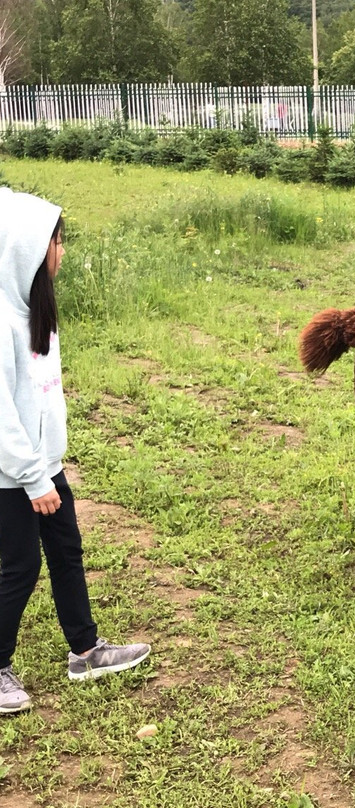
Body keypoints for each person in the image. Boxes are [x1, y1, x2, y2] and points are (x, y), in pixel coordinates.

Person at [0, 188, 150, 714]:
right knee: (19, 567)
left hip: (45, 466)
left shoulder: (35, 310)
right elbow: (2, 417)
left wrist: (49, 467)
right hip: (12, 476)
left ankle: (85, 650)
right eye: (56, 243)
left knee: (66, 553)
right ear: (28, 250)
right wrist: (32, 477)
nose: (62, 252)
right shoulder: (0, 322)